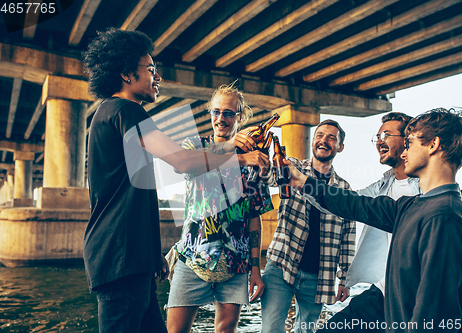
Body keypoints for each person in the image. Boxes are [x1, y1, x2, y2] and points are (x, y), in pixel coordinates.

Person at [82, 28, 268, 333]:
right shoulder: (126, 111)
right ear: (127, 74)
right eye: (151, 69)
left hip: (133, 260)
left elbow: (132, 196)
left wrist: (153, 254)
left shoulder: (112, 114)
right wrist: (238, 156)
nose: (158, 77)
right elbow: (182, 160)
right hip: (120, 259)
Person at [289, 108, 462, 332]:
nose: (405, 153)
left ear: (433, 144)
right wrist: (302, 181)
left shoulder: (444, 217)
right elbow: (356, 204)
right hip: (386, 296)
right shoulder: (413, 205)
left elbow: (435, 315)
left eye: (409, 143)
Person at [166, 83, 274, 333]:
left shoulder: (255, 158)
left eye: (228, 113)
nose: (221, 118)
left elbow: (254, 217)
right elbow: (182, 165)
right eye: (216, 112)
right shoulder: (194, 145)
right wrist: (239, 156)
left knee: (226, 330)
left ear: (240, 116)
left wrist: (256, 268)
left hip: (235, 263)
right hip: (192, 256)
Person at [318, 112, 420, 333]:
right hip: (384, 289)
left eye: (386, 134)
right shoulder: (382, 186)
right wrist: (302, 184)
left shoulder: (424, 187)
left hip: (413, 294)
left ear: (407, 140)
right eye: (377, 136)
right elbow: (348, 203)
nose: (379, 141)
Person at [261, 119, 356, 333]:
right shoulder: (291, 166)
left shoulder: (344, 189)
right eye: (320, 135)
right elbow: (267, 176)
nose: (324, 140)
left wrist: (345, 279)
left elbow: (348, 237)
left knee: (307, 331)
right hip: (281, 266)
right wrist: (260, 151)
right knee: (271, 330)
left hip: (319, 276)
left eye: (331, 137)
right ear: (313, 141)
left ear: (340, 147)